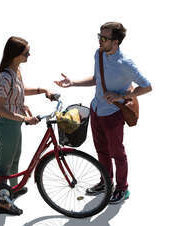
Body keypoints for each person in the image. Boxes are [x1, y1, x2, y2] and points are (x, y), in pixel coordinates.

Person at [55, 22, 152, 204]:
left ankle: (122, 189)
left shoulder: (125, 64)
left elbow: (147, 86)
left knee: (117, 153)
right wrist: (73, 82)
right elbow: (96, 78)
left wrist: (121, 95)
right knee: (101, 150)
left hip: (113, 114)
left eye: (104, 38)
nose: (100, 40)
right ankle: (106, 181)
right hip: (96, 110)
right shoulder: (98, 54)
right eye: (99, 36)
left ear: (115, 42)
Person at [0, 36, 54, 215]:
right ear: (15, 55)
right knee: (4, 166)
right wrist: (25, 118)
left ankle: (13, 190)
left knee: (14, 160)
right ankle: (2, 203)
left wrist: (42, 90)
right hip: (7, 126)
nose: (30, 54)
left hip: (14, 125)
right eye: (26, 52)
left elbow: (19, 91)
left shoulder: (16, 72)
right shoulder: (5, 76)